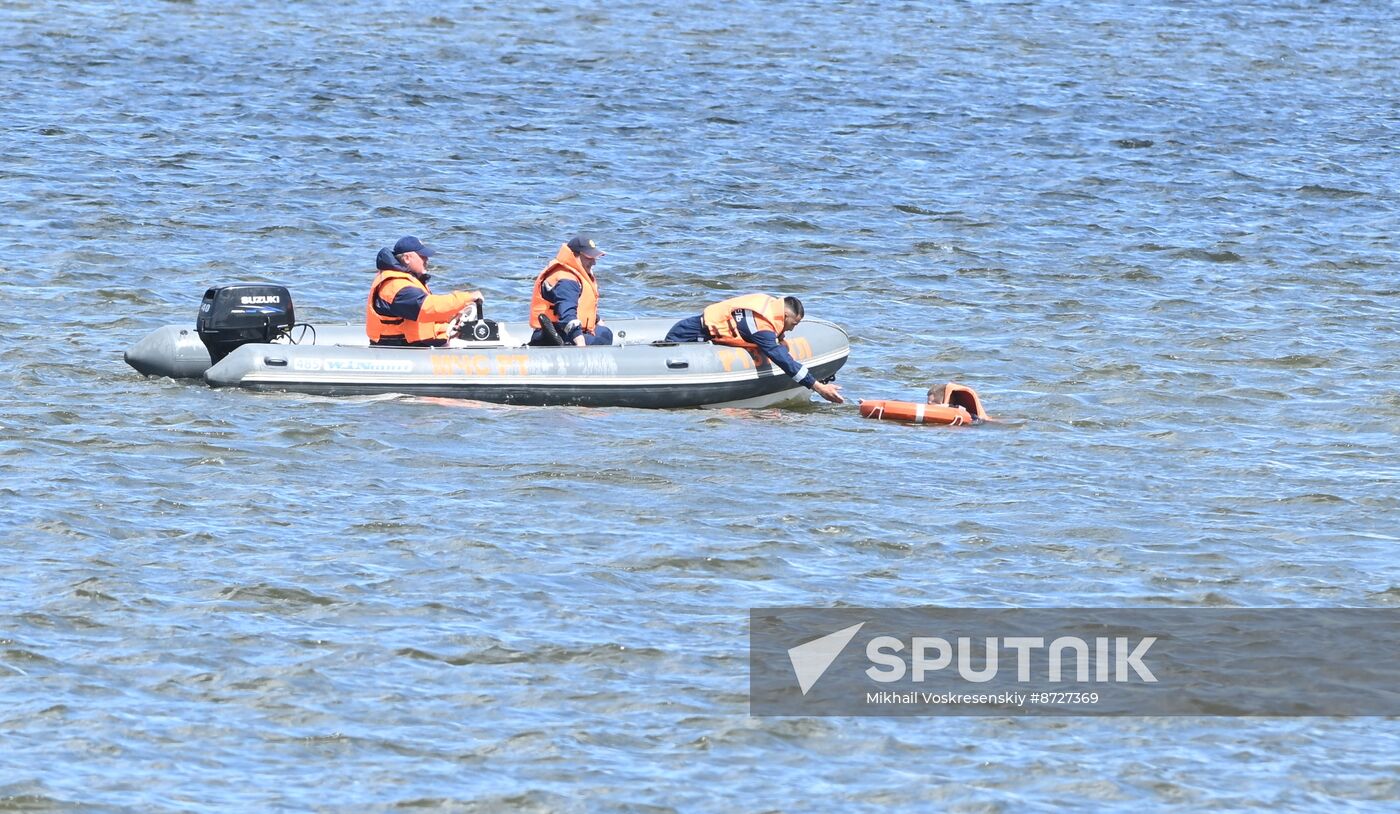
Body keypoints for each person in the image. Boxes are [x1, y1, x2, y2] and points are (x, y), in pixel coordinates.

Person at [664, 293, 844, 403]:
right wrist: (818, 387)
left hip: (693, 328)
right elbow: (781, 359)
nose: (792, 328)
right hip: (687, 334)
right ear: (786, 314)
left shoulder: (769, 305)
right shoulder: (761, 326)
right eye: (793, 324)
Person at [366, 236, 483, 347]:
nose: (426, 259)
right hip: (397, 346)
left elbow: (424, 318)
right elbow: (427, 307)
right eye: (422, 256)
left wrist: (452, 318)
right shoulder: (396, 286)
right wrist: (467, 298)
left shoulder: (407, 280)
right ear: (407, 258)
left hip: (410, 342)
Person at [529, 234, 614, 346]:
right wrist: (579, 341)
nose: (594, 262)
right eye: (589, 258)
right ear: (574, 256)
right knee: (605, 335)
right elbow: (566, 313)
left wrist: (596, 319)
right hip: (560, 331)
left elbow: (578, 304)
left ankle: (557, 341)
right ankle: (560, 343)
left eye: (594, 258)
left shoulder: (569, 274)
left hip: (558, 329)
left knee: (603, 331)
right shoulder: (567, 280)